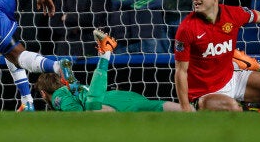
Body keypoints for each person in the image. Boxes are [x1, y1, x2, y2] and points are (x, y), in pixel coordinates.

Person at [36, 29, 183, 112]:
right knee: (157, 106)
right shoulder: (75, 90)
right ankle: (193, 112)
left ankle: (105, 55)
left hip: (105, 105)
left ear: (43, 93)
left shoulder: (59, 95)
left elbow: (76, 116)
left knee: (91, 110)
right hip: (124, 98)